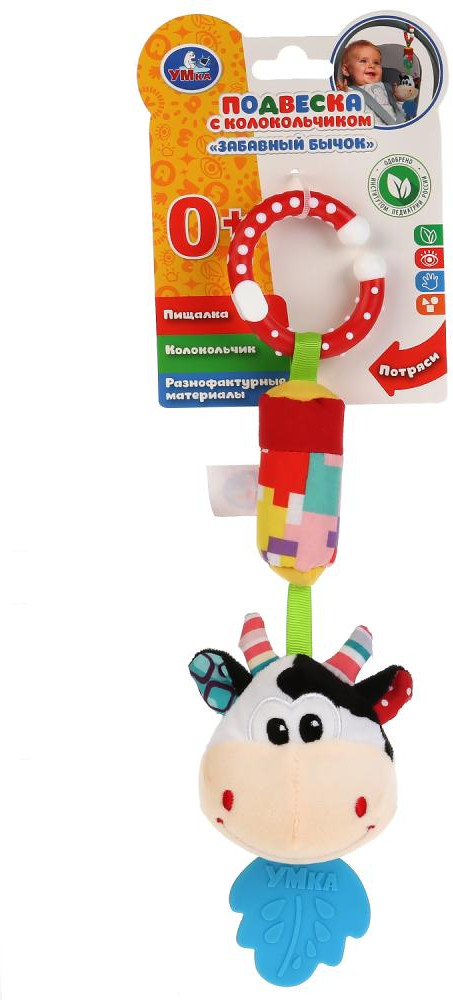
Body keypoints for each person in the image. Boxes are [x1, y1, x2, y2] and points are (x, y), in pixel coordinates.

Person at [338, 39, 406, 125]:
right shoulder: (350, 91)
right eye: (363, 61)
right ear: (346, 70)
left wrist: (400, 100)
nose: (371, 65)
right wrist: (342, 94)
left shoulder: (389, 88)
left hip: (396, 127)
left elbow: (401, 113)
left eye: (376, 63)